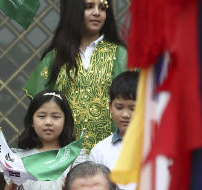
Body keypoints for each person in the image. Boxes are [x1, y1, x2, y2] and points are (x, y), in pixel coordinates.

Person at [24, 0, 128, 151]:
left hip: (113, 153)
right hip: (65, 156)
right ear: (75, 10)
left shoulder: (121, 55)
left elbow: (134, 106)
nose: (97, 13)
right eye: (89, 6)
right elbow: (40, 106)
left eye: (102, 8)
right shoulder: (56, 57)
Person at [88, 70, 138, 190]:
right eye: (119, 107)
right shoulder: (99, 151)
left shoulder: (158, 147)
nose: (125, 115)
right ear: (110, 107)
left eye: (133, 108)